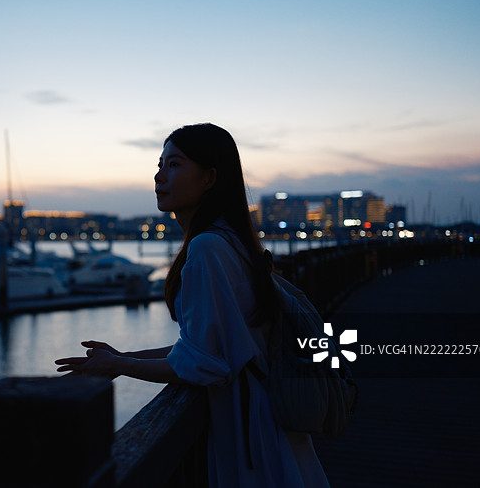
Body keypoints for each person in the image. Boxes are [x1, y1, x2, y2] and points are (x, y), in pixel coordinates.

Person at [55, 123, 330, 487]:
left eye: (175, 165)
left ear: (209, 177)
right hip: (269, 421)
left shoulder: (206, 249)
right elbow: (209, 343)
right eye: (160, 164)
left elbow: (206, 364)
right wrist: (122, 357)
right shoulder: (230, 240)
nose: (159, 176)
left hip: (250, 431)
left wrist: (121, 364)